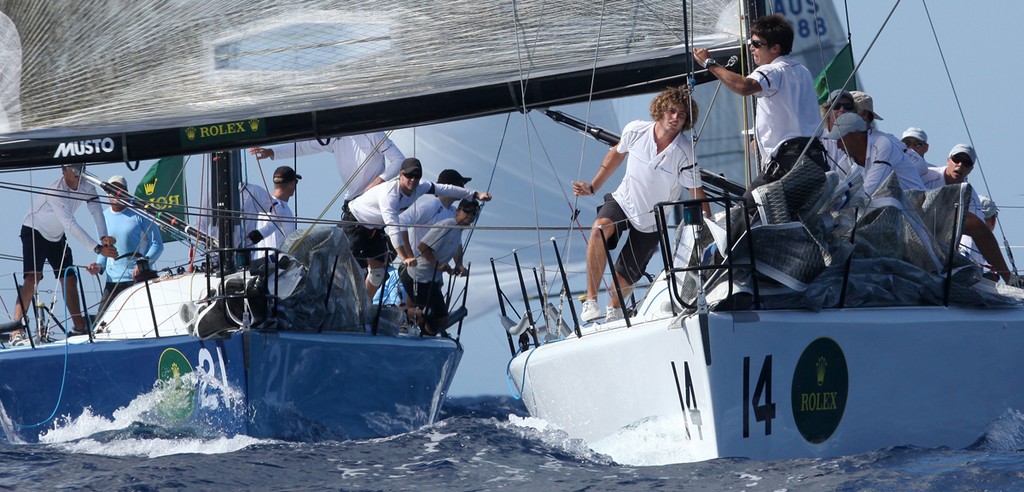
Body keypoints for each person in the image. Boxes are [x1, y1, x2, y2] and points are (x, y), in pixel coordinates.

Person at [572, 86, 710, 324]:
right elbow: (616, 154)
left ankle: (614, 311)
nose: (676, 118)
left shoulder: (686, 152)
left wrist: (708, 225)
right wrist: (593, 186)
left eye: (682, 115)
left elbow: (696, 192)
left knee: (624, 277)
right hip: (623, 201)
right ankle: (591, 301)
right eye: (672, 111)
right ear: (660, 110)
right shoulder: (635, 130)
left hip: (652, 220)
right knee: (599, 229)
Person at [692, 13, 822, 178]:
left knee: (748, 204)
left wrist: (709, 63)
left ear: (775, 48)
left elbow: (745, 87)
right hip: (815, 159)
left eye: (756, 43)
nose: (751, 47)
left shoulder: (772, 70)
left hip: (789, 163)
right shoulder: (802, 70)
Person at [343, 158, 491, 298]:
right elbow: (395, 227)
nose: (413, 179)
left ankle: (361, 310)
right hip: (355, 223)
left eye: (417, 176)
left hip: (375, 229)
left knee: (377, 275)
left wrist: (476, 195)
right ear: (401, 175)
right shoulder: (390, 195)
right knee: (345, 271)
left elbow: (446, 189)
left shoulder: (421, 187)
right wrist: (405, 256)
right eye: (409, 175)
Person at [10, 165, 116, 344]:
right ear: (63, 170)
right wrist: (97, 249)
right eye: (73, 168)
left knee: (69, 277)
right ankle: (16, 330)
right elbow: (70, 224)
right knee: (33, 277)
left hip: (56, 235)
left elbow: (96, 211)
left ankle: (79, 327)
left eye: (80, 167)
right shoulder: (55, 191)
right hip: (34, 229)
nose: (77, 172)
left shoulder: (87, 186)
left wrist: (104, 237)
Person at [921, 144, 1017, 284]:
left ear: (971, 169)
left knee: (977, 229)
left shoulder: (970, 196)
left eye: (966, 163)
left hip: (941, 246)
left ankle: (1009, 279)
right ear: (948, 160)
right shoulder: (926, 176)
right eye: (956, 159)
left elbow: (977, 233)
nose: (960, 165)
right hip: (914, 228)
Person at [249, 132, 405, 202]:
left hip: (372, 199)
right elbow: (304, 147)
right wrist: (272, 152)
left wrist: (378, 181)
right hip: (351, 201)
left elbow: (399, 160)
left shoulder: (373, 133)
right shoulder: (334, 136)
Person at [87, 175, 164, 315]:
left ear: (126, 192)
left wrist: (143, 264)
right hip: (113, 282)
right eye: (111, 190)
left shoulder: (142, 214)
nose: (115, 193)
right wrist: (97, 267)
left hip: (138, 280)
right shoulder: (102, 218)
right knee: (100, 325)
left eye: (119, 189)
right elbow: (104, 251)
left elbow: (157, 244)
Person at [401, 199, 478, 336]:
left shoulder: (458, 229)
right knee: (439, 317)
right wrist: (438, 264)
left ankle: (424, 333)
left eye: (474, 213)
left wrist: (458, 265)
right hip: (418, 277)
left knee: (434, 321)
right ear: (458, 211)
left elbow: (457, 246)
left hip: (431, 279)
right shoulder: (447, 225)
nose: (470, 215)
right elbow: (422, 247)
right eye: (467, 211)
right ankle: (400, 312)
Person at [822, 112, 926, 197]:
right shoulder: (843, 165)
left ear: (857, 135)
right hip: (888, 217)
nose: (838, 146)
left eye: (841, 139)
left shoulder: (883, 145)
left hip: (916, 211)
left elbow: (869, 191)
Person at [399, 168, 472, 275]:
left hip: (434, 274)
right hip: (414, 272)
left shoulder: (453, 213)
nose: (464, 189)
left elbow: (456, 242)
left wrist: (459, 264)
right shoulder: (431, 206)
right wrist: (409, 256)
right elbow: (401, 221)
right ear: (450, 187)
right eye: (461, 185)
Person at [245, 166, 301, 258]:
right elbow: (272, 242)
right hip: (276, 268)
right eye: (296, 182)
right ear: (292, 184)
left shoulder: (266, 206)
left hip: (271, 265)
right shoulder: (276, 209)